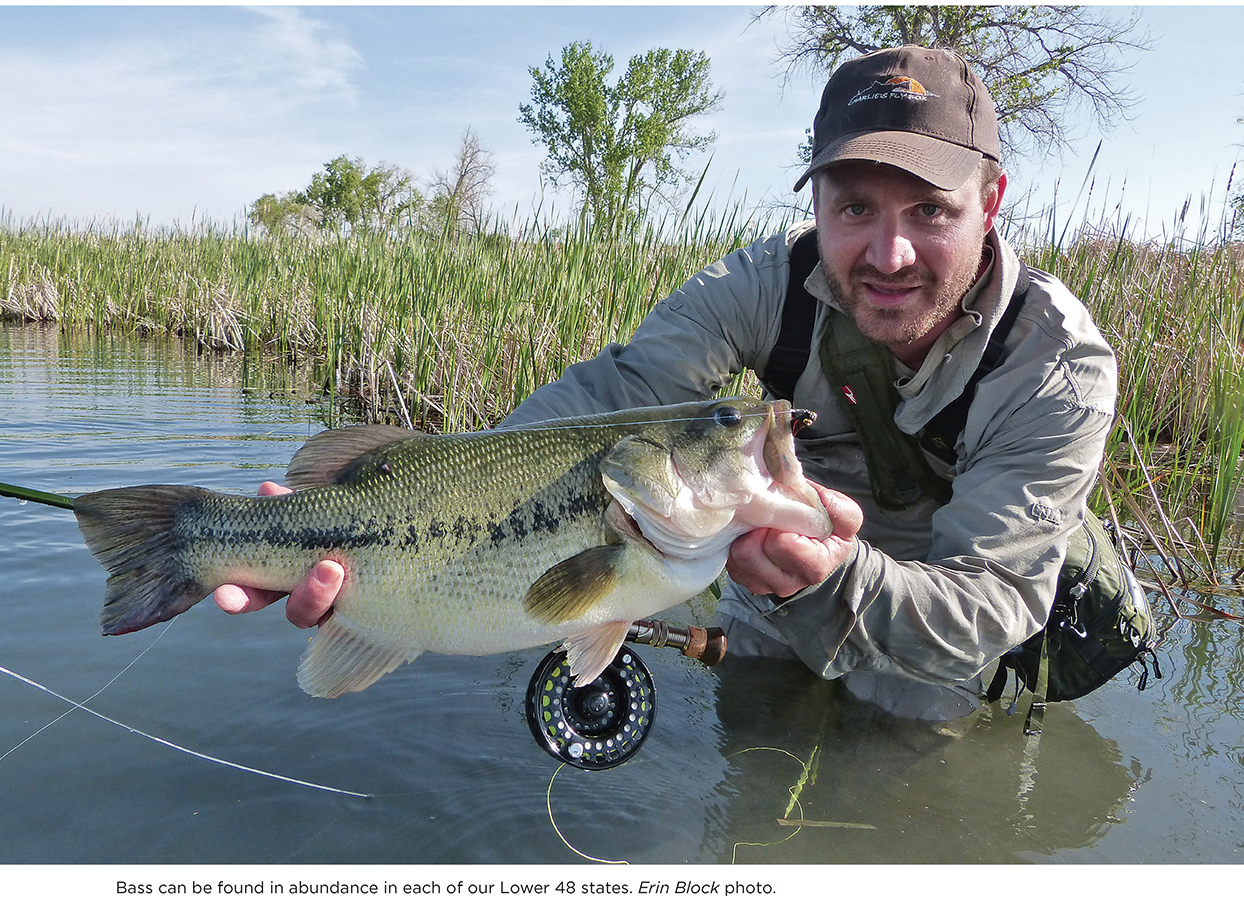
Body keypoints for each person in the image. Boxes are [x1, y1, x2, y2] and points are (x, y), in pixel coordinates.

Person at [215, 46, 1117, 722]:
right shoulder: (754, 286)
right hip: (769, 565)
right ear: (814, 206)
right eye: (854, 209)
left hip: (939, 604)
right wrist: (330, 527)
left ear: (989, 203)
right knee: (754, 754)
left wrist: (835, 583)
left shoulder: (1059, 370)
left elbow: (990, 602)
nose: (888, 254)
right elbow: (607, 402)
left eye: (929, 211)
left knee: (910, 779)